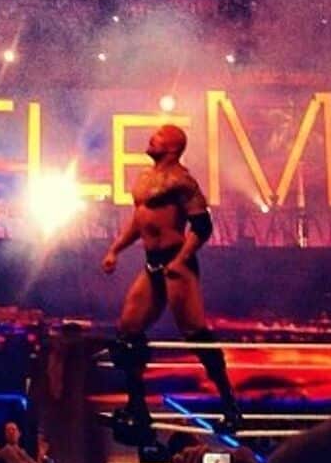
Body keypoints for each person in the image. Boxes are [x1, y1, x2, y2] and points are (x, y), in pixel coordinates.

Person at [102, 124, 241, 437]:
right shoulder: (143, 179)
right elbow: (139, 222)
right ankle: (137, 406)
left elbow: (202, 226)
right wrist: (115, 250)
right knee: (127, 331)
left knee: (196, 333)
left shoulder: (182, 181)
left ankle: (230, 407)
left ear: (173, 146)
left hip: (177, 261)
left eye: (159, 136)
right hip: (152, 262)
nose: (152, 138)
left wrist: (180, 260)